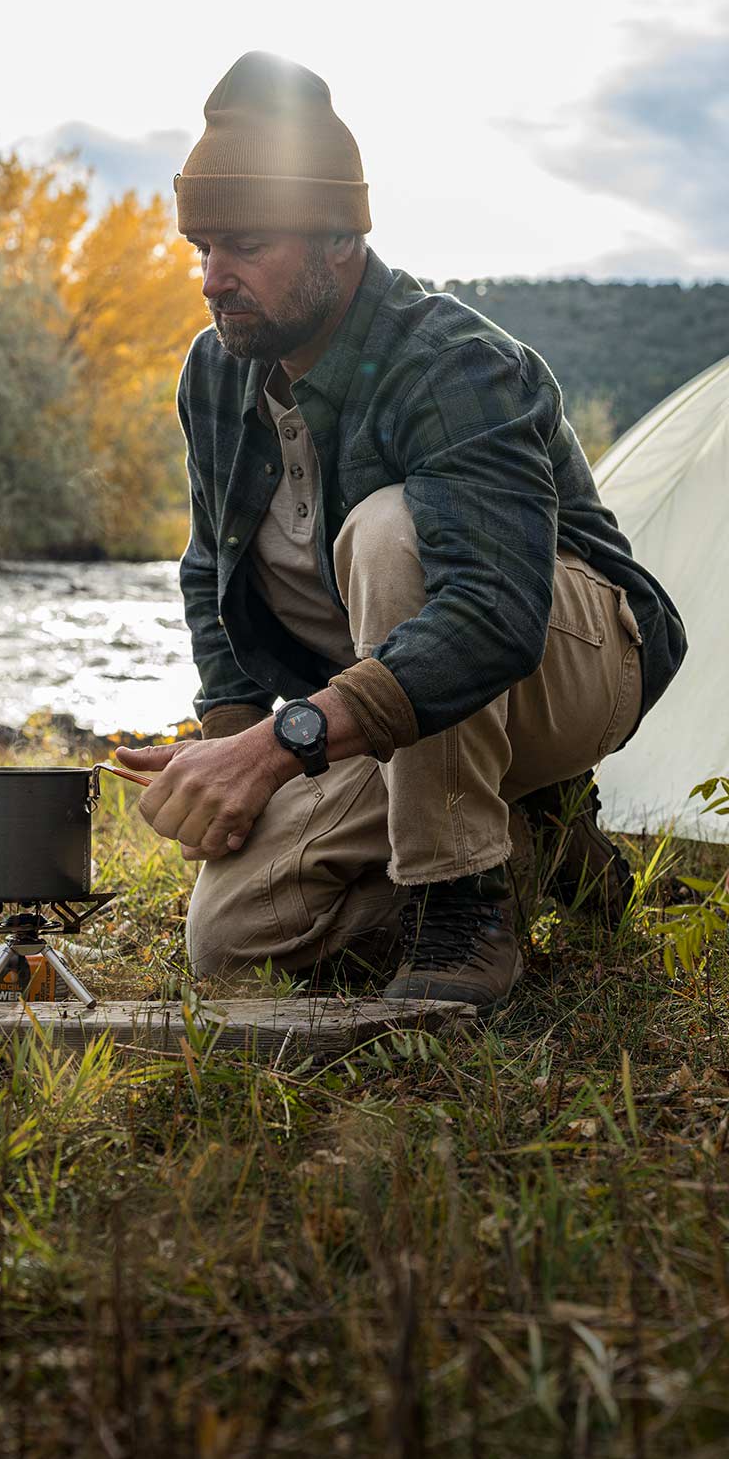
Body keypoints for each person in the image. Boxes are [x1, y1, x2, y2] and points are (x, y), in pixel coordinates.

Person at [115, 51, 687, 1011]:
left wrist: (276, 748)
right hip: (395, 705)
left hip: (570, 662)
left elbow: (490, 617)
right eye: (201, 248)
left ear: (340, 239)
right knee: (233, 936)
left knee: (392, 531)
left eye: (245, 244)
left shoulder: (453, 364)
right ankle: (533, 839)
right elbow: (211, 567)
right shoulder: (216, 370)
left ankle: (459, 901)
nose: (213, 279)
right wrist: (231, 749)